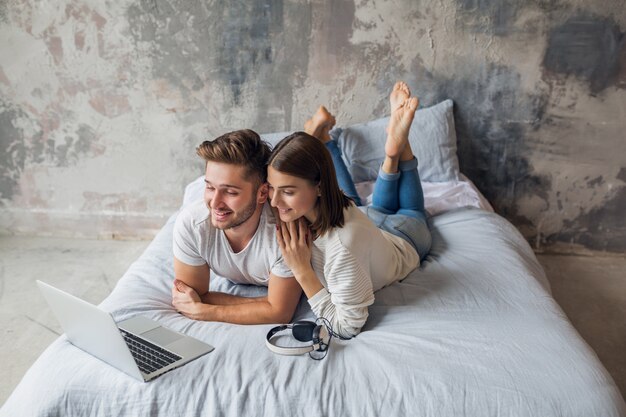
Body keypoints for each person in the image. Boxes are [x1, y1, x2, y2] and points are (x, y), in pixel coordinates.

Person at [267, 82, 432, 338]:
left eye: (288, 192)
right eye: (270, 188)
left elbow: (346, 327)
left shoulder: (343, 248)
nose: (274, 202)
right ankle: (378, 149)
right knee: (360, 201)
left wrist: (301, 271)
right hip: (365, 222)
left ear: (318, 188)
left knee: (412, 210)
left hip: (404, 238)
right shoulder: (330, 199)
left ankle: (399, 148)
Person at [171, 129, 302, 324]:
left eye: (230, 192)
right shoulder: (192, 224)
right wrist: (264, 303)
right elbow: (194, 296)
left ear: (262, 193)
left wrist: (204, 312)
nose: (215, 202)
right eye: (209, 187)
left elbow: (280, 313)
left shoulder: (285, 234)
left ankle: (320, 137)